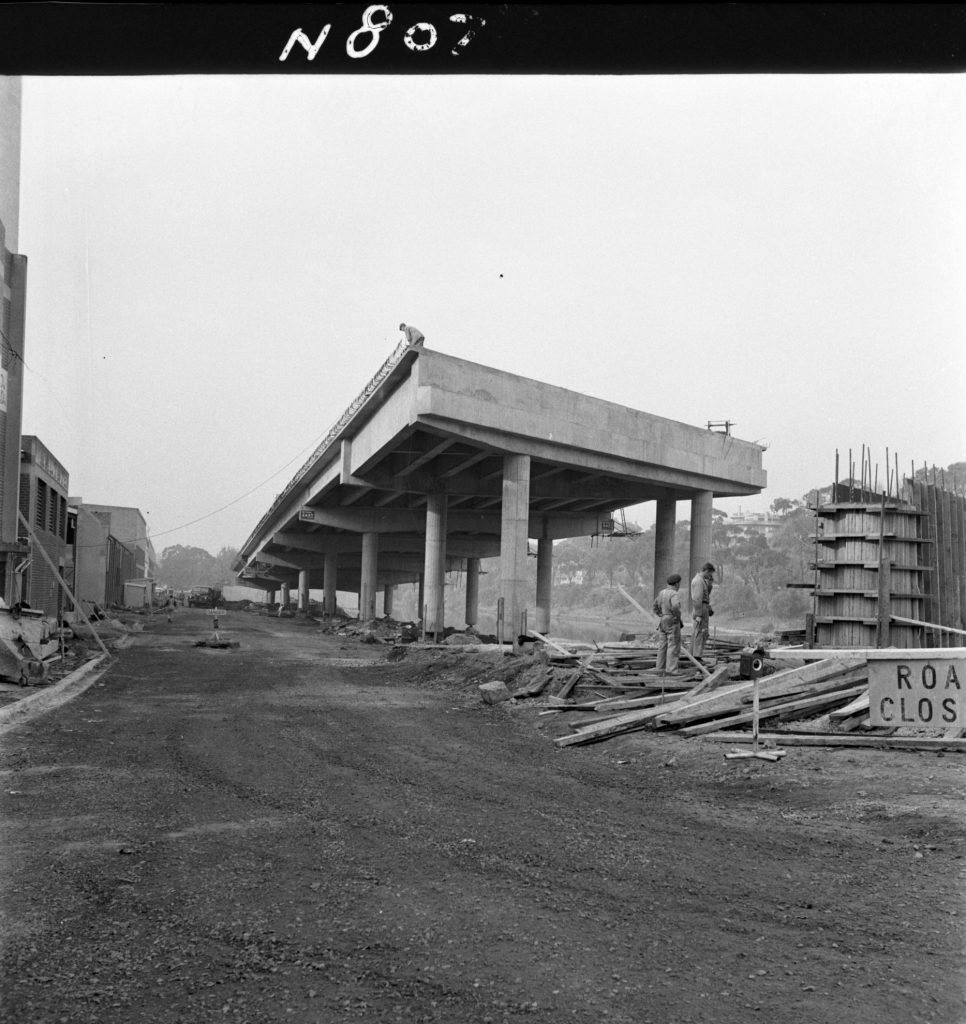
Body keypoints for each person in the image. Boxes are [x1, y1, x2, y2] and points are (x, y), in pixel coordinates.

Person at [652, 573, 683, 674]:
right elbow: (675, 606)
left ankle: (660, 669)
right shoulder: (674, 593)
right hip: (671, 620)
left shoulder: (662, 593)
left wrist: (660, 614)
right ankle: (671, 670)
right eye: (679, 584)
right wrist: (677, 617)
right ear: (677, 584)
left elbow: (654, 606)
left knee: (662, 646)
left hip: (663, 620)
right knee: (673, 645)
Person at [690, 562, 716, 658]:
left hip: (703, 608)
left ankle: (694, 654)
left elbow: (705, 597)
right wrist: (699, 615)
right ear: (706, 571)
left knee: (700, 632)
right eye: (710, 573)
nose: (710, 576)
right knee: (701, 632)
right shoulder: (698, 581)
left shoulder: (702, 581)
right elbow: (697, 599)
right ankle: (697, 656)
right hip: (700, 609)